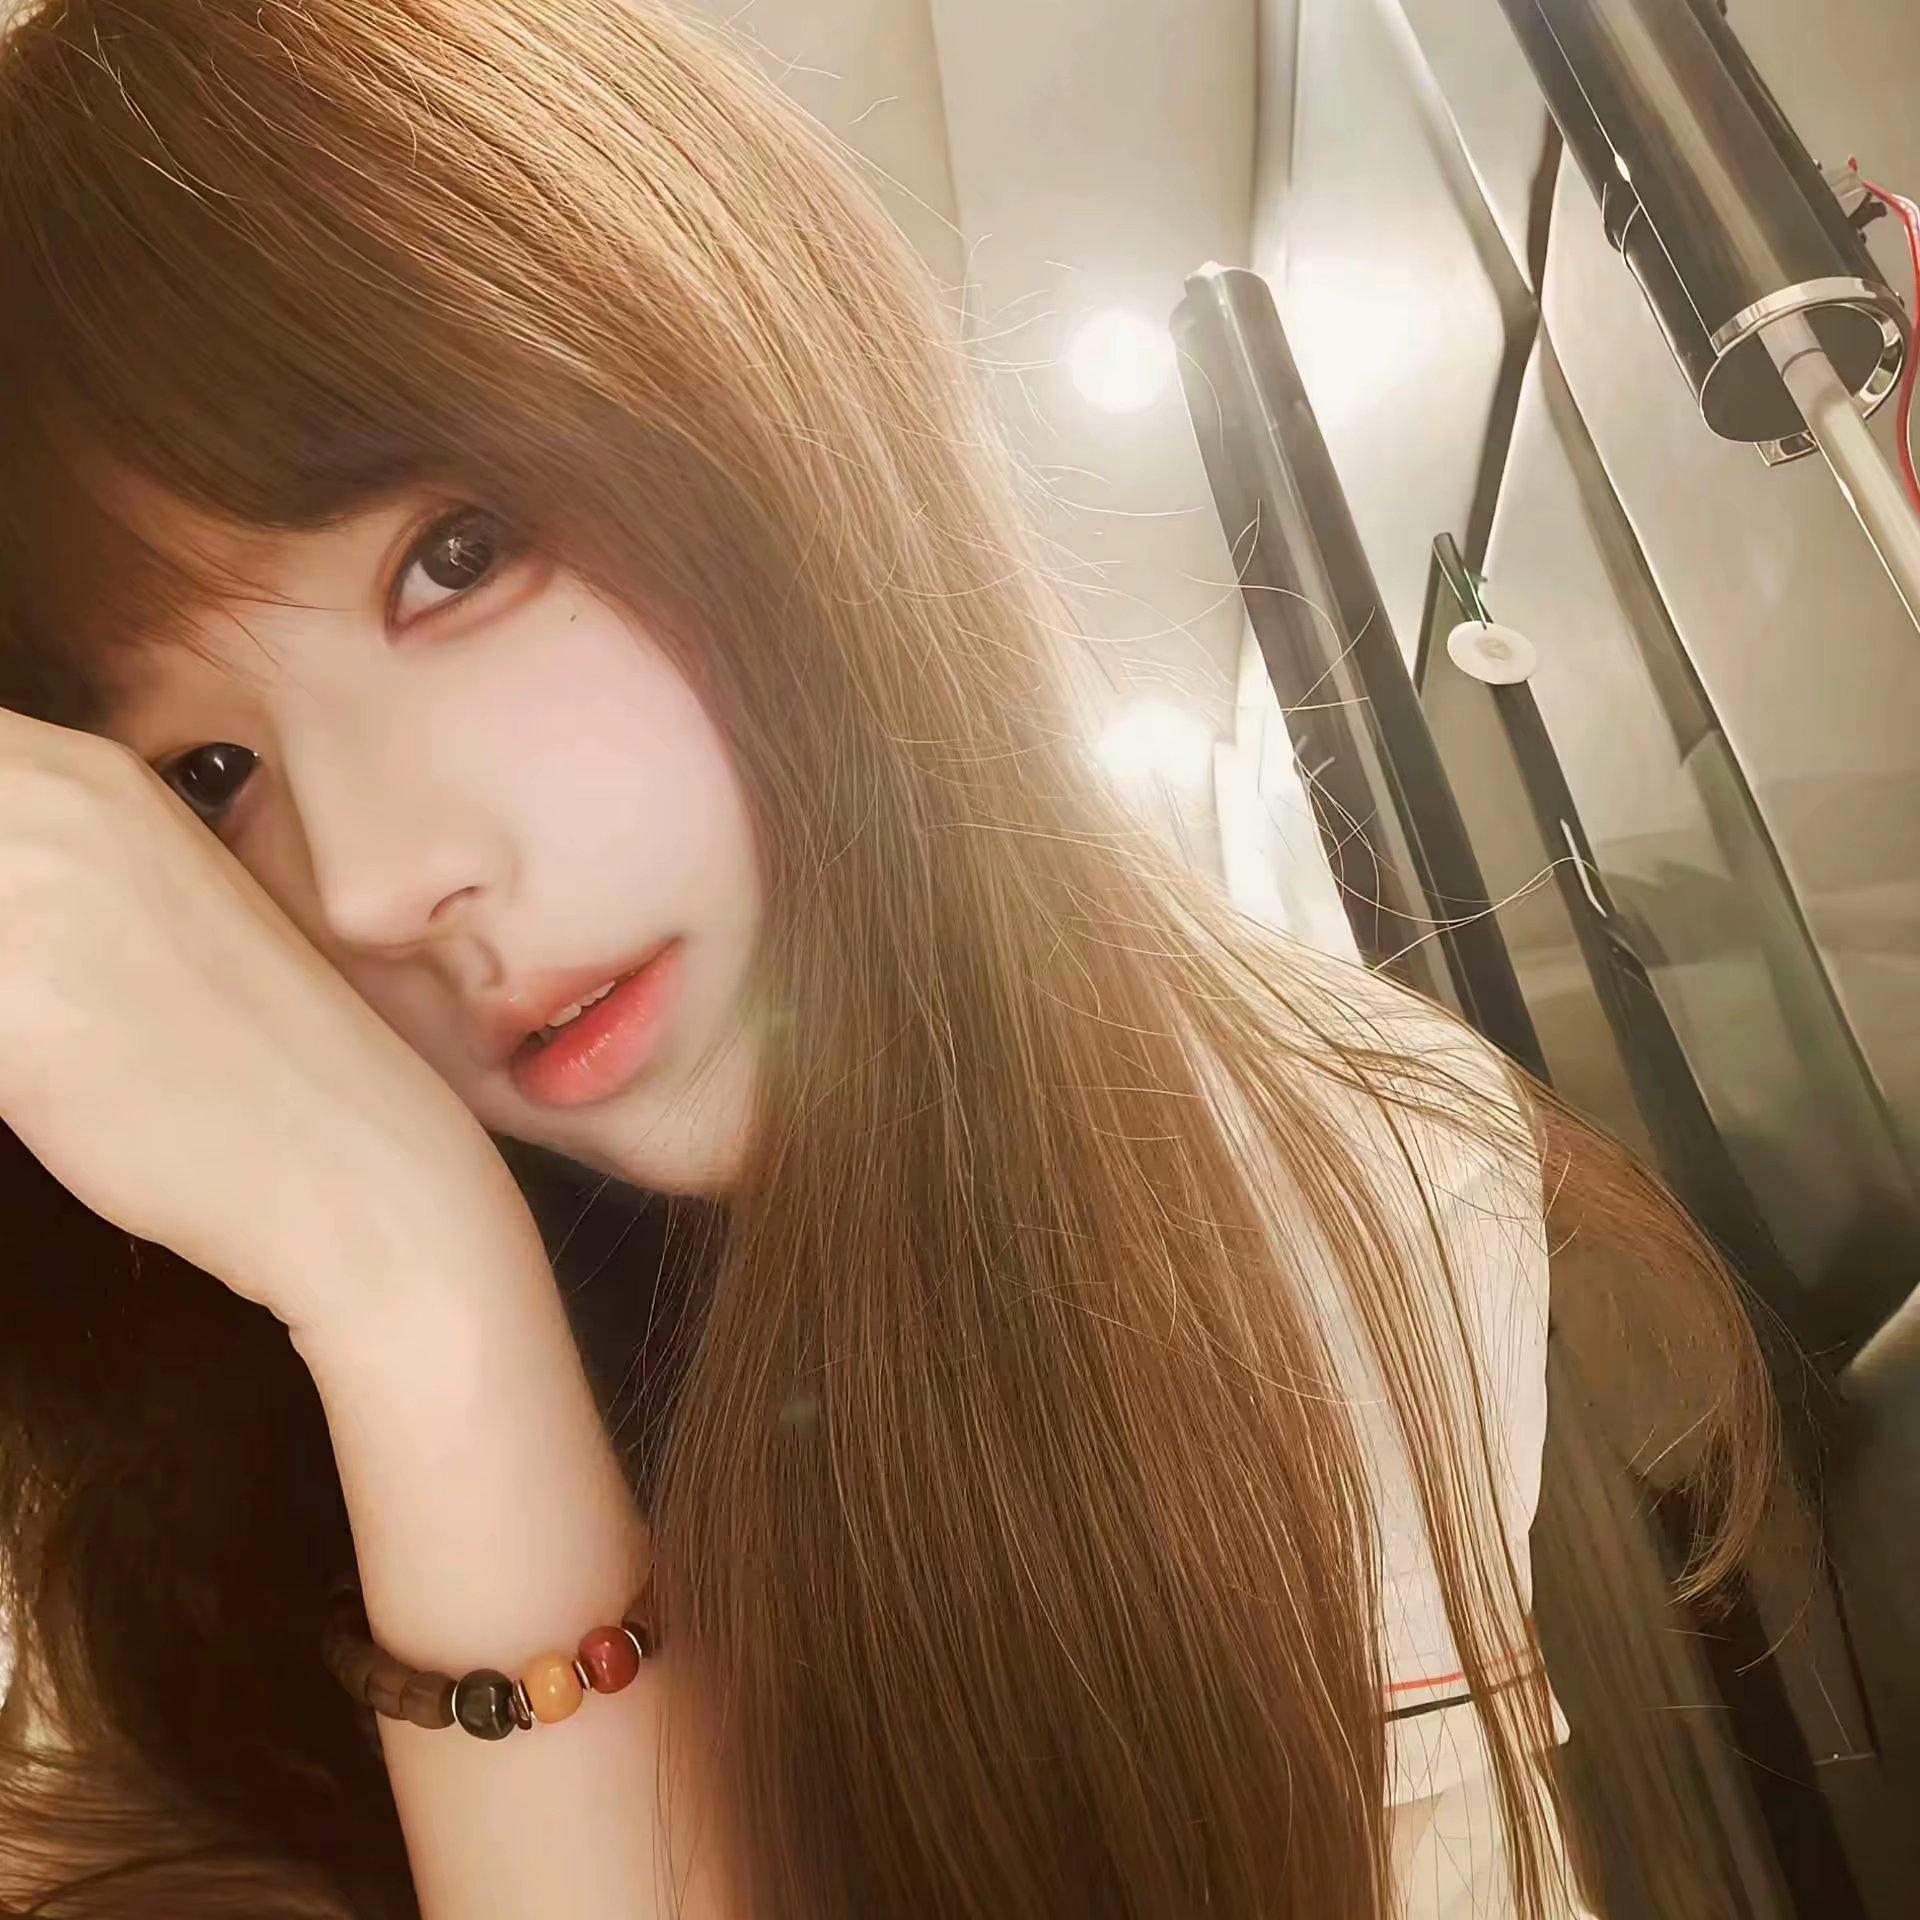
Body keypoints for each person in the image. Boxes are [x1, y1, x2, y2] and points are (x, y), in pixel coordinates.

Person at [0, 2, 1781, 1916]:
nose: (373, 882)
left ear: (757, 392)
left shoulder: (1348, 1183)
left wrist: (420, 1304)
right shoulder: (194, 1345)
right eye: (207, 774)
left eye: (455, 556)